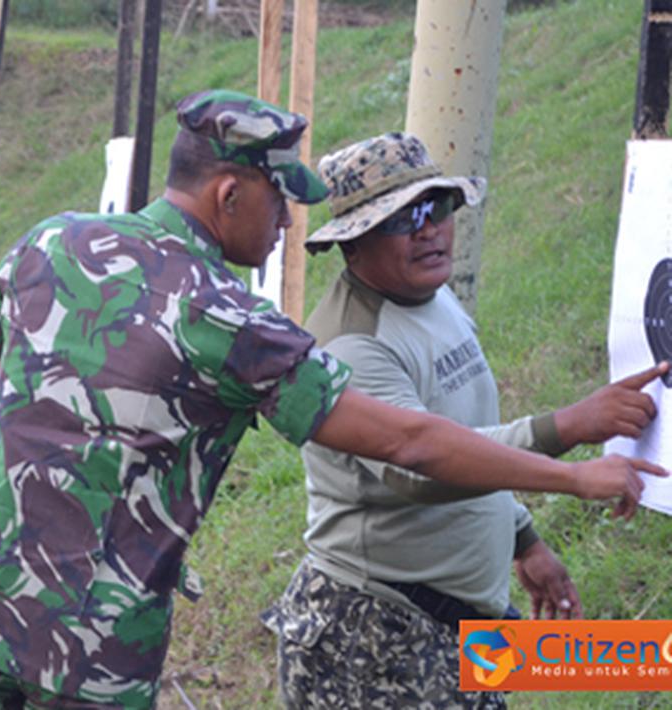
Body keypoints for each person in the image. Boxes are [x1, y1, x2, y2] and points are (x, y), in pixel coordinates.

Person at [0, 90, 662, 708]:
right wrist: (571, 471)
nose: (286, 226)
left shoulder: (52, 241)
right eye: (279, 204)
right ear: (228, 192)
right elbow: (405, 445)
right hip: (88, 656)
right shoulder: (229, 322)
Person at [260, 131, 666, 708]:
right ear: (354, 244)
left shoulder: (430, 295)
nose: (429, 230)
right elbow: (421, 465)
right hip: (374, 639)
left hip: (450, 628)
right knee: (649, 658)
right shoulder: (351, 345)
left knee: (651, 661)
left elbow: (465, 434)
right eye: (403, 220)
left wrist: (522, 538)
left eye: (438, 207)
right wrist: (569, 442)